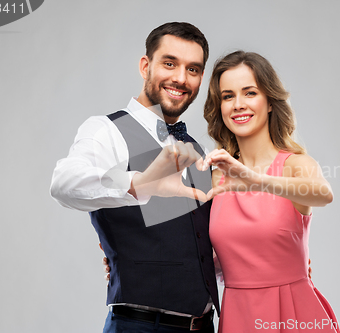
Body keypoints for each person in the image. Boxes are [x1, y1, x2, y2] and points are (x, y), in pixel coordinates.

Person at [50, 22, 219, 332]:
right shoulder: (106, 130)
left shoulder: (195, 149)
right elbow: (63, 183)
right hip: (140, 326)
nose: (181, 78)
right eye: (169, 63)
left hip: (204, 326)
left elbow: (198, 253)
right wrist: (139, 183)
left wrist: (272, 265)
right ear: (145, 66)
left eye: (193, 69)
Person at [202, 51, 340, 332]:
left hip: (295, 314)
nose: (238, 105)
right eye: (228, 96)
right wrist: (124, 256)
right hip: (238, 316)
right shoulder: (214, 175)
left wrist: (256, 181)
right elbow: (203, 252)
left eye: (249, 93)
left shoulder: (296, 165)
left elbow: (323, 194)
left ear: (269, 103)